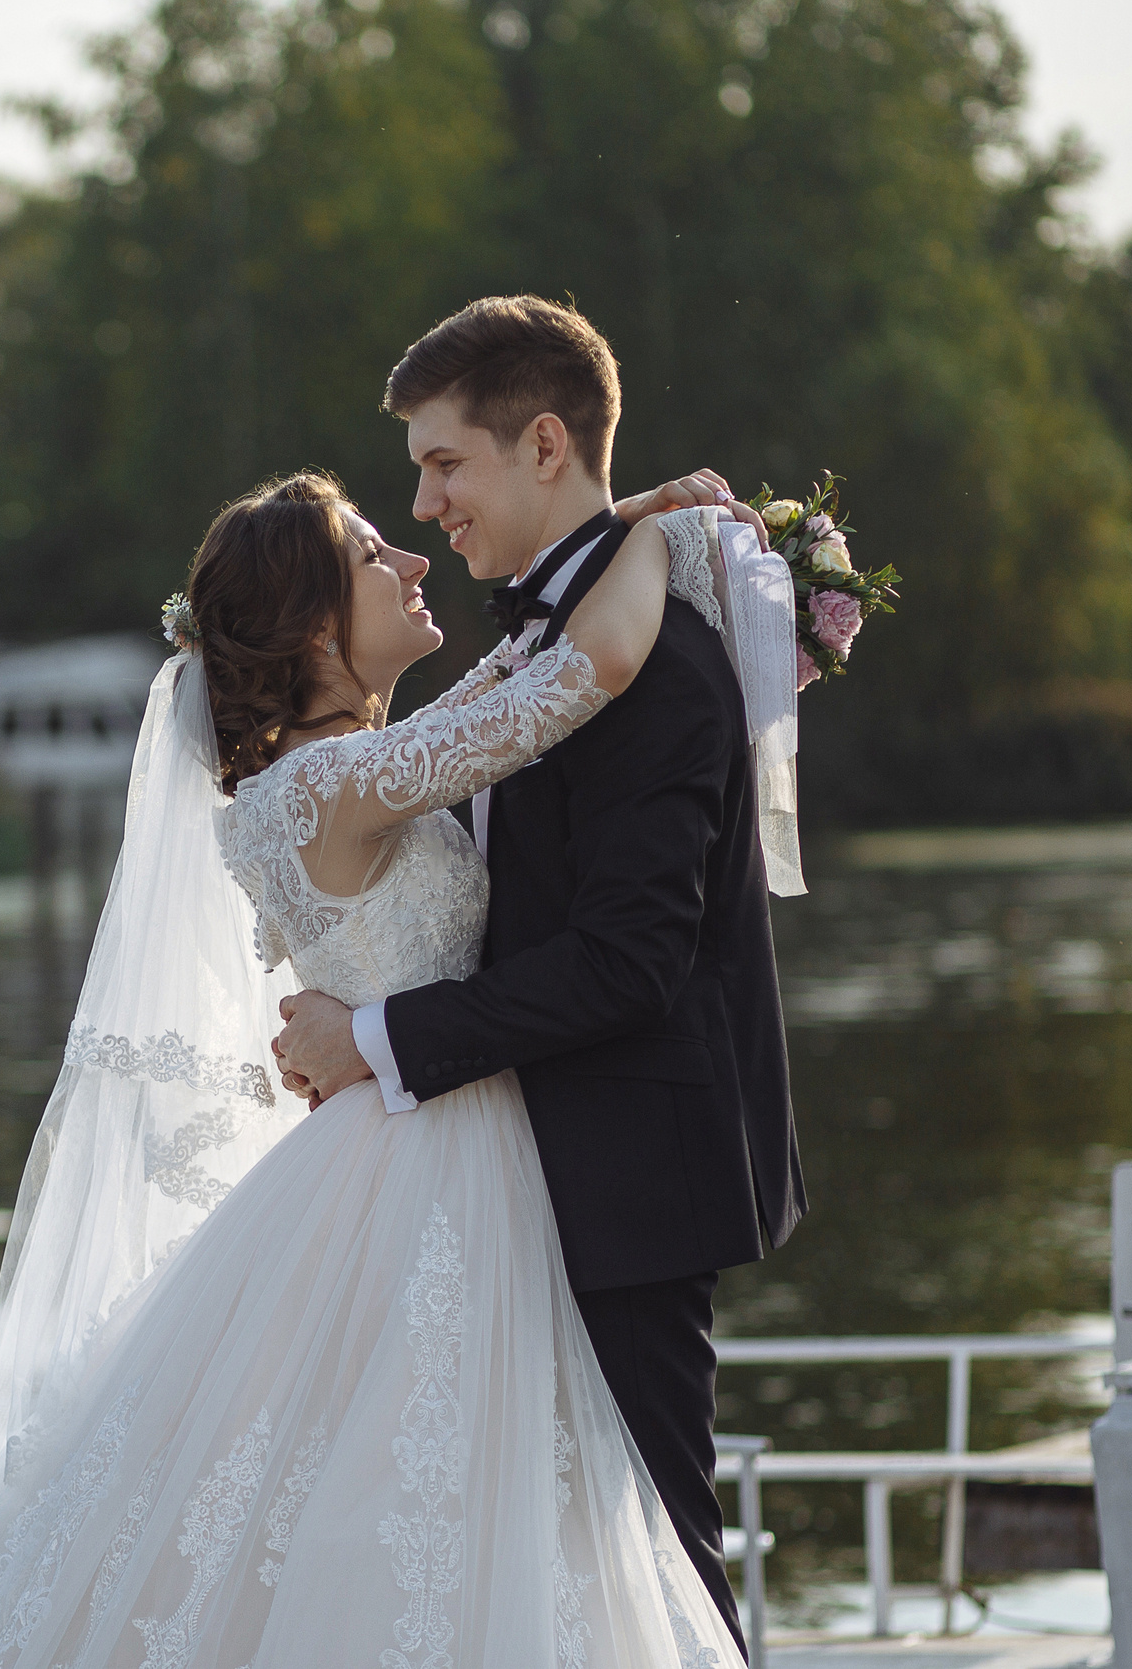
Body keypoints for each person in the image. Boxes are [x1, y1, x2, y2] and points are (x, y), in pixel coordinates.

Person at [0, 436, 768, 1666]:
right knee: (421, 1510)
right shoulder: (332, 789)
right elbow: (584, 666)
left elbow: (510, 666)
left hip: (414, 1138)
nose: (413, 553)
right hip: (432, 1164)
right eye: (375, 552)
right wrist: (642, 545)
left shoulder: (329, 777)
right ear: (316, 632)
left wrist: (610, 518)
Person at [272, 294, 805, 1648]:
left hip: (625, 1162)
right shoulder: (540, 650)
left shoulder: (653, 658)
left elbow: (632, 961)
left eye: (445, 462)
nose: (427, 499)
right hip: (493, 1176)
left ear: (546, 443)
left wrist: (377, 1032)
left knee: (661, 1564)